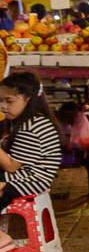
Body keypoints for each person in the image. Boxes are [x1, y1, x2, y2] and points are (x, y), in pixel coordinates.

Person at [0, 72, 63, 205]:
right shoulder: (30, 121)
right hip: (23, 175)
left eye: (9, 101)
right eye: (0, 100)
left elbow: (11, 166)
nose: (3, 106)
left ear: (28, 99)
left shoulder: (31, 128)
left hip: (31, 180)